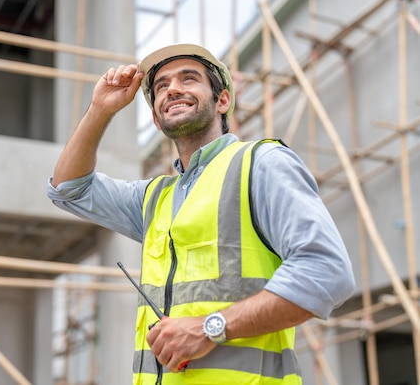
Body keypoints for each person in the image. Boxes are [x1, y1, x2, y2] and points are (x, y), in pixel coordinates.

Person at [47, 43, 355, 385]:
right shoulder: (153, 199)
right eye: (161, 86)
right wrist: (99, 110)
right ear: (156, 117)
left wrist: (212, 328)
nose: (172, 89)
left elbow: (327, 271)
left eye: (188, 79)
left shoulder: (260, 164)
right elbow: (68, 189)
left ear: (222, 101)